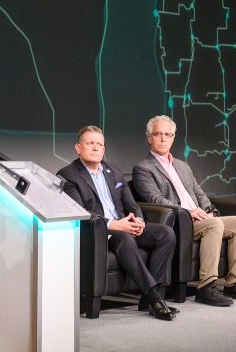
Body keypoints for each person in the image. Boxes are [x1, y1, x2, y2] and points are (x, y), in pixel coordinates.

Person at [132, 115, 236, 307]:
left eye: (168, 134)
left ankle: (234, 283)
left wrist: (210, 210)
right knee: (214, 225)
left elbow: (199, 193)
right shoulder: (143, 168)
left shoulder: (182, 166)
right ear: (149, 138)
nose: (163, 139)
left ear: (173, 138)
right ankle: (206, 287)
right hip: (179, 222)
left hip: (200, 218)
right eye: (158, 134)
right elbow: (155, 199)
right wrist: (187, 212)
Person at [57, 126, 178, 321]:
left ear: (103, 149)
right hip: (99, 232)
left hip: (124, 224)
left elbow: (131, 203)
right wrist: (114, 225)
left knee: (166, 234)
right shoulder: (68, 175)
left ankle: (148, 300)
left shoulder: (112, 169)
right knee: (124, 238)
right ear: (78, 148)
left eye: (99, 144)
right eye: (90, 143)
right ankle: (155, 299)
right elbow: (80, 212)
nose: (95, 148)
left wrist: (138, 220)